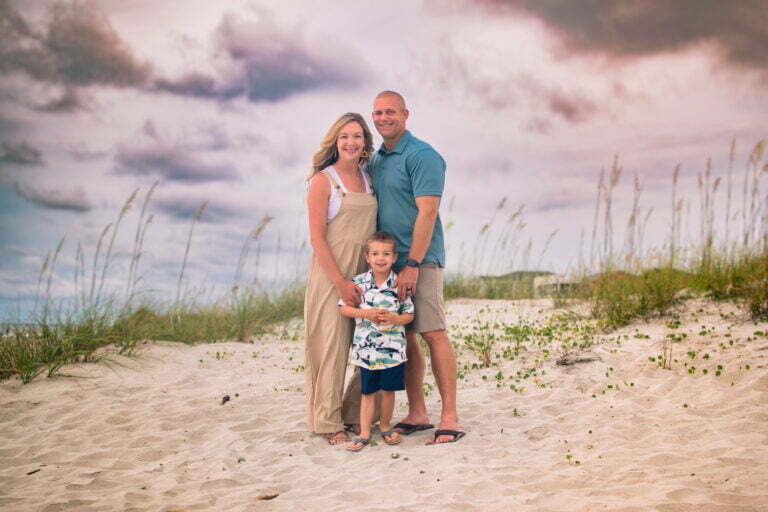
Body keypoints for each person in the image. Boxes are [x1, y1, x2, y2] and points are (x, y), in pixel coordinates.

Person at [368, 90, 465, 445]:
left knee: (432, 331)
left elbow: (428, 212)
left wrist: (413, 264)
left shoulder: (423, 156)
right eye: (377, 113)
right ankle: (418, 412)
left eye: (390, 112)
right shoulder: (377, 159)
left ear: (405, 114)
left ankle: (450, 417)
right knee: (405, 336)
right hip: (390, 262)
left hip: (420, 260)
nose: (383, 118)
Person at [304, 112, 377, 445]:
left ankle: (351, 414)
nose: (351, 142)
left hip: (366, 276)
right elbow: (318, 239)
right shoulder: (324, 181)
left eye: (358, 136)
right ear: (335, 140)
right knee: (331, 349)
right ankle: (329, 423)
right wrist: (341, 283)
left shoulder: (368, 178)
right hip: (331, 276)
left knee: (371, 346)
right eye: (345, 136)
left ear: (365, 143)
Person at [338, 231, 415, 452]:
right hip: (366, 351)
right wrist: (366, 314)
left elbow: (409, 314)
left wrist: (395, 319)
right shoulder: (359, 283)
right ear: (367, 257)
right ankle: (364, 432)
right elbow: (344, 309)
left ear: (394, 257)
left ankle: (385, 426)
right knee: (367, 392)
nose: (380, 258)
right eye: (375, 253)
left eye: (386, 253)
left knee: (388, 392)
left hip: (392, 350)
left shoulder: (399, 284)